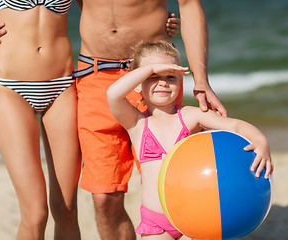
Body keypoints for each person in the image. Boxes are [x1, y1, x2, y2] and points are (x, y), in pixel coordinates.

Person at [0, 1, 227, 239]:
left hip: (155, 76)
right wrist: (0, 25)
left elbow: (189, 6)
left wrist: (201, 79)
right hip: (95, 74)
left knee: (170, 187)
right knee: (104, 198)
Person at [107, 40, 273, 239]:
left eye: (170, 76)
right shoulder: (137, 122)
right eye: (153, 77)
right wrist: (150, 67)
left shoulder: (190, 116)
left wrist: (260, 140)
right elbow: (113, 95)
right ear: (137, 85)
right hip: (156, 222)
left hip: (195, 216)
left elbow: (235, 126)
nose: (163, 82)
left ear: (179, 81)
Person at [0, 0, 82, 239]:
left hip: (61, 86)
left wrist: (157, 24)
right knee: (35, 213)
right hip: (10, 88)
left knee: (67, 210)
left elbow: (101, 14)